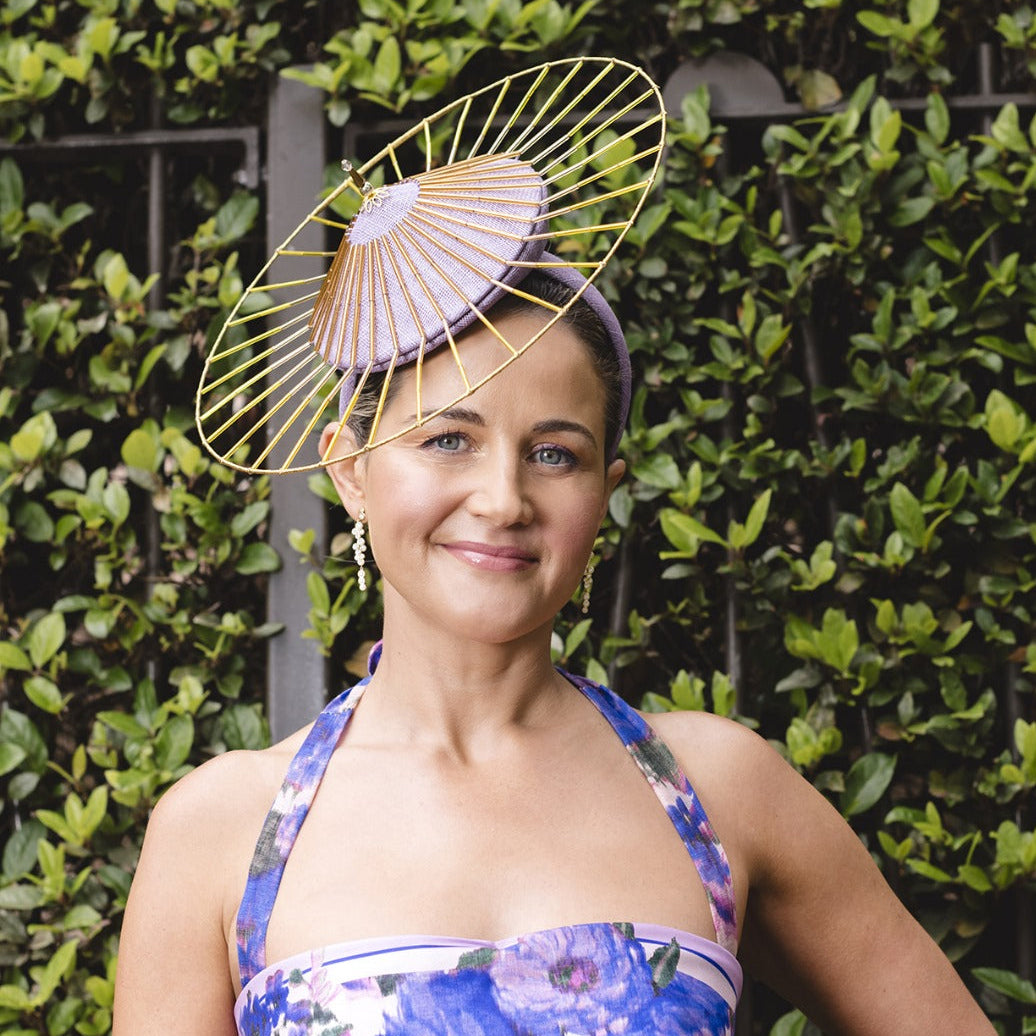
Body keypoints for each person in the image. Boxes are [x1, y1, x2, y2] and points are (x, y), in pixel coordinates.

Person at [115, 59, 996, 1035]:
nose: (502, 498)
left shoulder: (718, 788)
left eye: (554, 453)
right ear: (351, 469)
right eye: (448, 438)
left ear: (606, 492)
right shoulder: (220, 831)